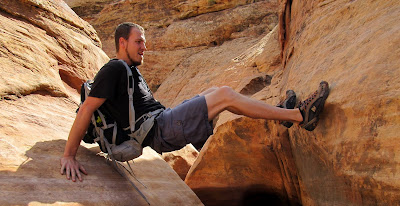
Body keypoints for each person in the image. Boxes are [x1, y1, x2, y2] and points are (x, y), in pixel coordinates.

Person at [60, 22, 329, 182]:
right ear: (122, 42)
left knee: (217, 91)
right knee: (223, 95)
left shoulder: (130, 70)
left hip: (163, 122)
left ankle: (281, 114)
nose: (145, 47)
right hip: (159, 130)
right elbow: (86, 109)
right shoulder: (115, 69)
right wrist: (68, 155)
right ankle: (299, 116)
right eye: (139, 41)